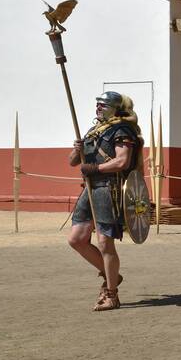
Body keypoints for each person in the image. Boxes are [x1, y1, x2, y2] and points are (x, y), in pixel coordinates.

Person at [67, 91, 143, 311]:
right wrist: (77, 149)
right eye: (97, 104)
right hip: (90, 189)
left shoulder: (122, 130)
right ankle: (113, 276)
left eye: (104, 105)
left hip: (109, 190)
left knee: (104, 243)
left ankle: (111, 294)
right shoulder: (93, 131)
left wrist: (96, 168)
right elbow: (73, 162)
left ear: (116, 108)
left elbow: (122, 161)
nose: (99, 108)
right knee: (76, 239)